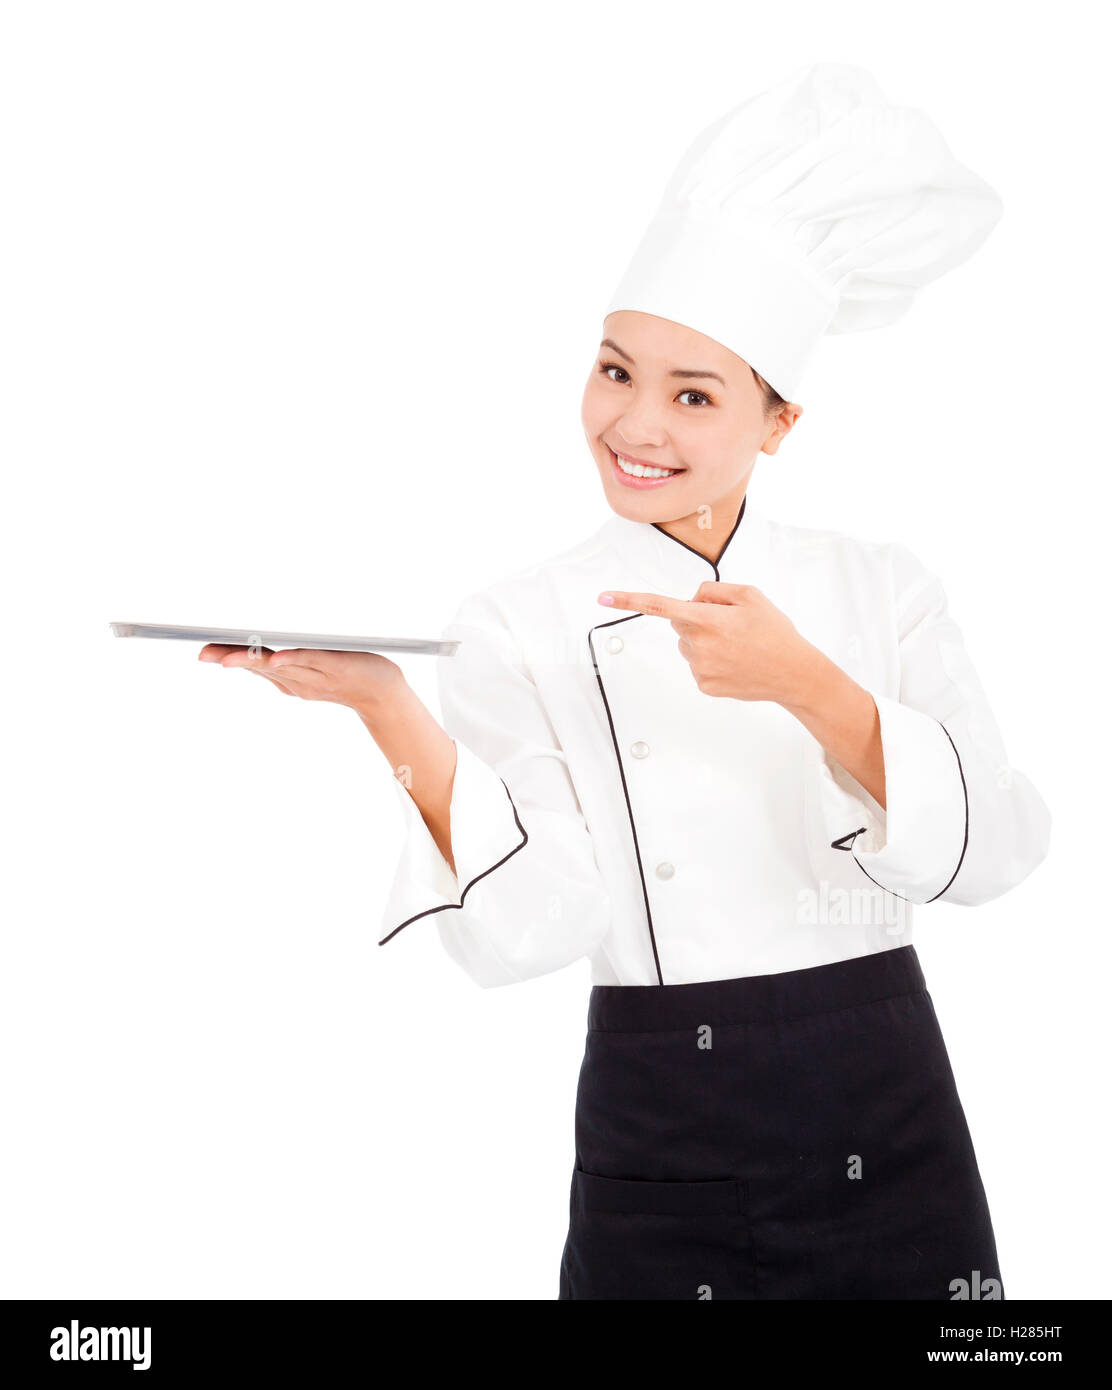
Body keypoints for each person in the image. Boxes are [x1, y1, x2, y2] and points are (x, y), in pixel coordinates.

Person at [200, 63, 1051, 1299]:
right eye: (613, 370)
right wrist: (386, 706)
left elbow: (999, 852)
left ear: (778, 423)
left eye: (691, 392)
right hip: (662, 1106)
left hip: (882, 1089)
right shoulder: (516, 618)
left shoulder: (881, 588)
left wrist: (805, 684)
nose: (631, 425)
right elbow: (530, 929)